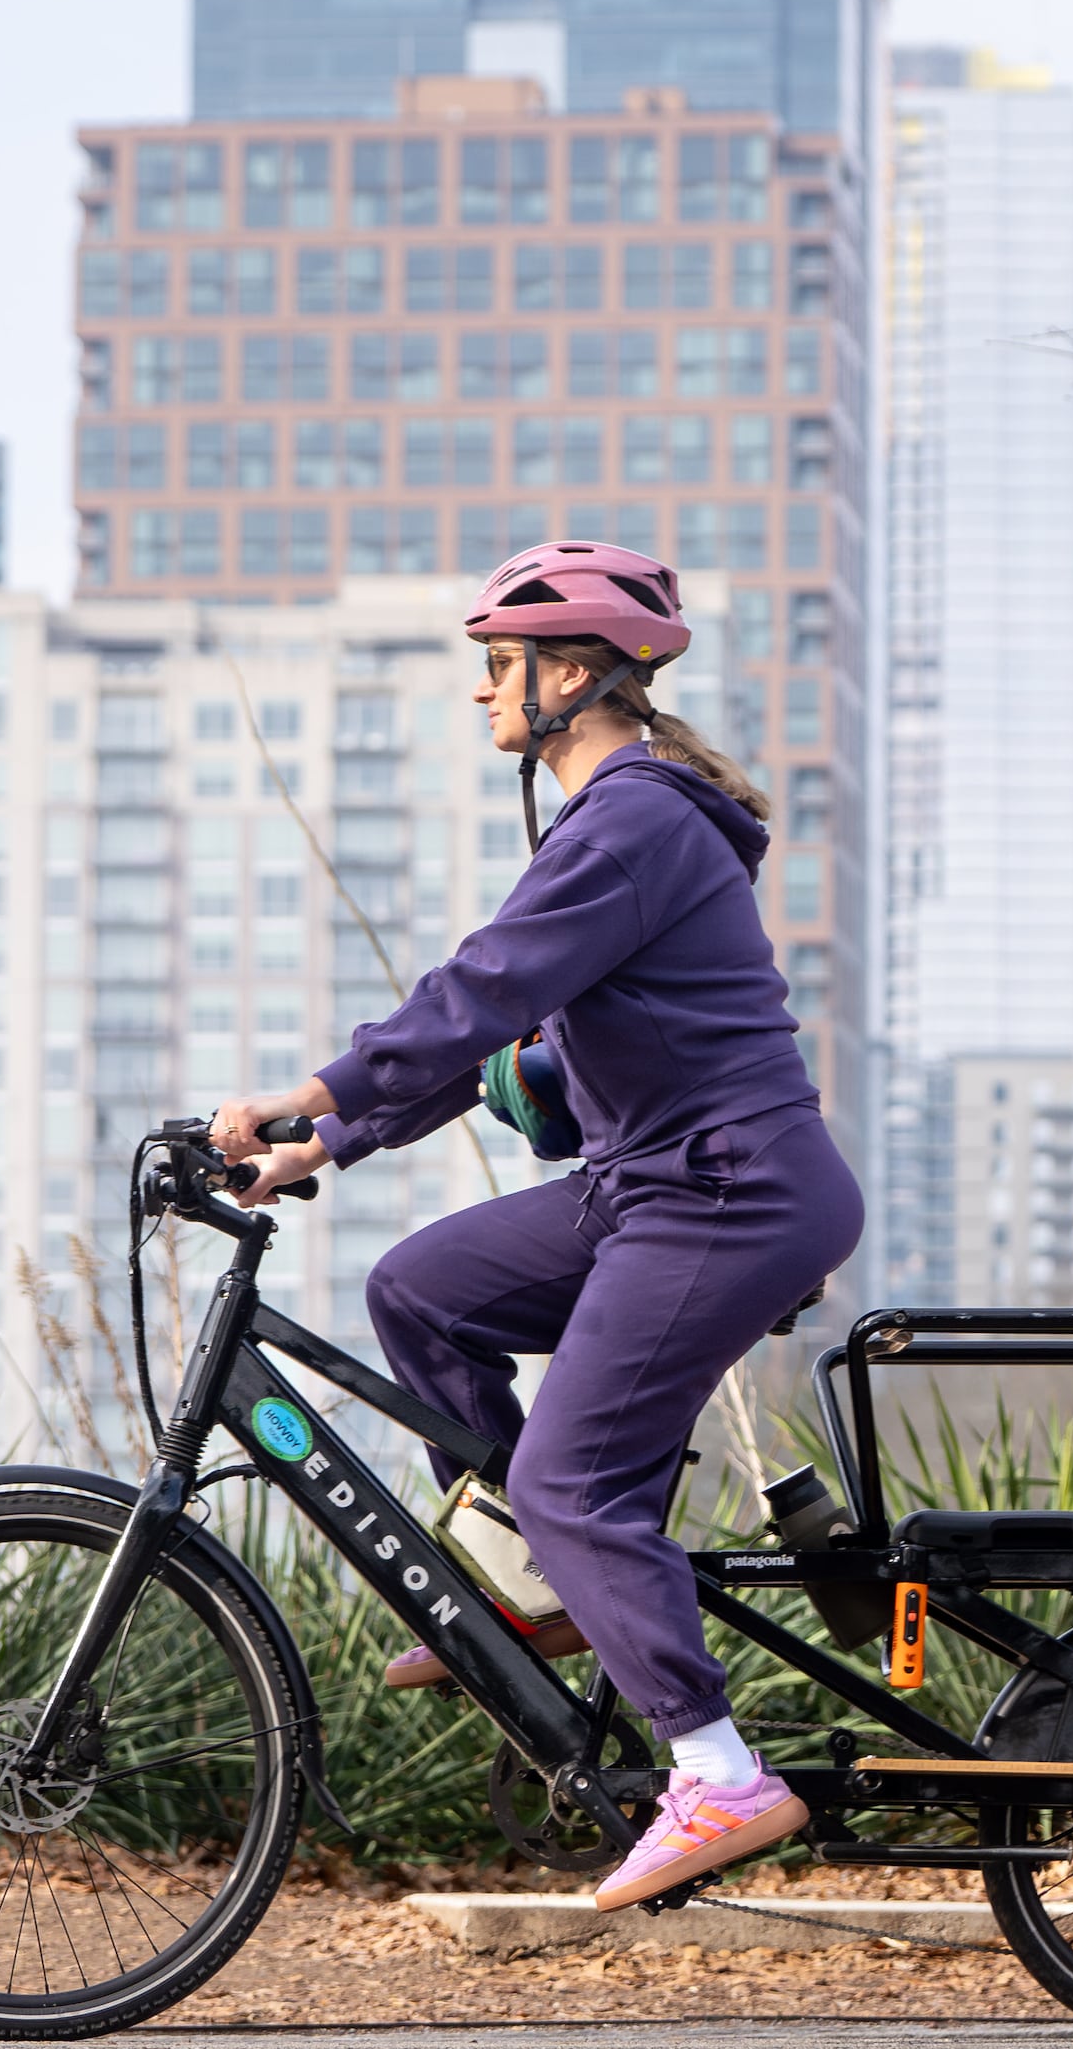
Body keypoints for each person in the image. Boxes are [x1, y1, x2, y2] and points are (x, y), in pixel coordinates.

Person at [211, 541, 861, 1912]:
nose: (481, 695)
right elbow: (503, 1022)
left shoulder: (635, 818)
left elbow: (480, 986)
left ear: (572, 676)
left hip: (726, 1192)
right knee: (422, 1293)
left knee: (574, 1478)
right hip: (653, 1183)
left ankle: (717, 1769)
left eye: (496, 668)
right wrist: (327, 1139)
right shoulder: (616, 820)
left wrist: (313, 1087)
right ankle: (543, 1587)